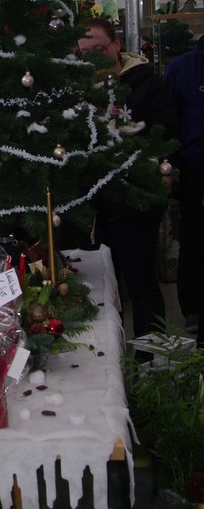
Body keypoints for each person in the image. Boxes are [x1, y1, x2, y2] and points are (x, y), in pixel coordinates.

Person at [77, 17, 179, 339]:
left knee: (141, 284)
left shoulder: (145, 84)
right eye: (84, 53)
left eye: (99, 50)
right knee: (100, 288)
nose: (93, 59)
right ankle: (108, 358)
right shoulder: (78, 89)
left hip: (135, 201)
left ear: (117, 44)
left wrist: (162, 171)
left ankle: (151, 360)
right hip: (92, 205)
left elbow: (167, 133)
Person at [163, 35, 204, 345]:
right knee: (194, 240)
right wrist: (170, 166)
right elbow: (168, 122)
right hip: (195, 171)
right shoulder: (182, 68)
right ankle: (194, 308)